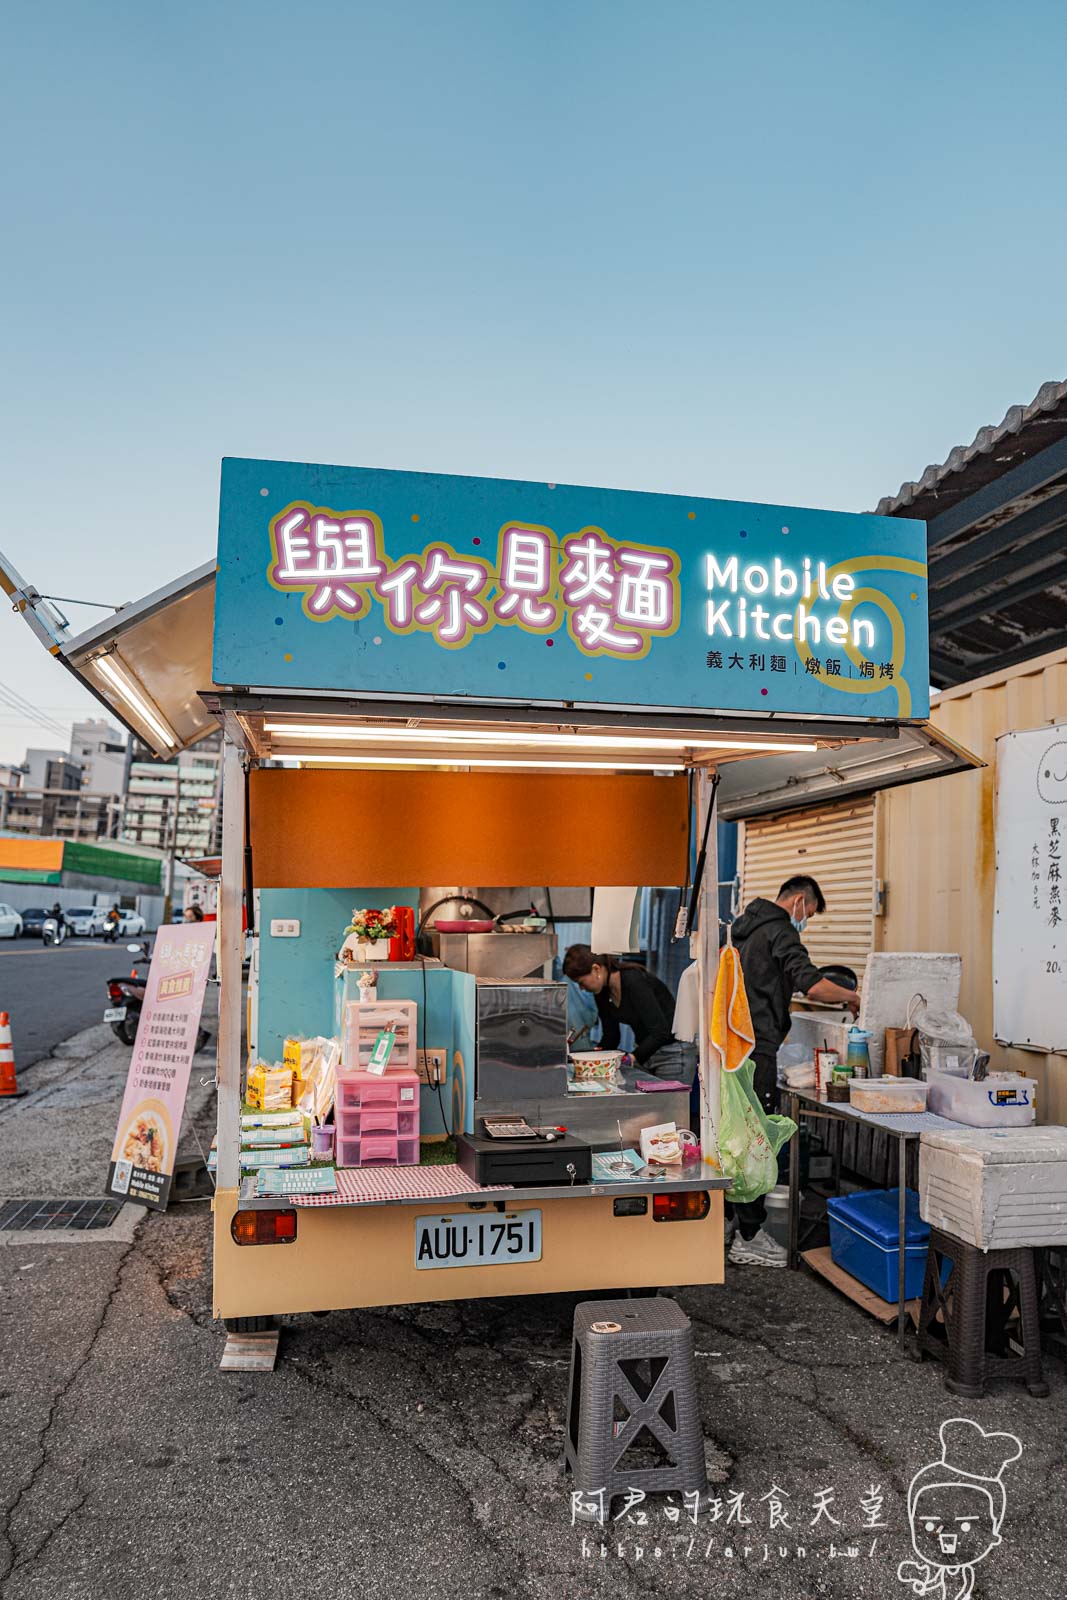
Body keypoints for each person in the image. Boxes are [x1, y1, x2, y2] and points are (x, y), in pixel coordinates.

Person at [725, 873, 861, 1269]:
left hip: (734, 1046)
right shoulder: (780, 930)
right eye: (810, 914)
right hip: (758, 1048)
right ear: (799, 901)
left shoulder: (745, 928)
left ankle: (734, 1222)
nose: (807, 922)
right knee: (756, 1140)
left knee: (736, 1135)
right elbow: (812, 986)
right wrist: (853, 995)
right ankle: (750, 1237)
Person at [562, 945, 695, 1083]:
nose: (581, 989)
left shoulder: (633, 980)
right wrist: (589, 1058)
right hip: (646, 1054)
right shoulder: (602, 992)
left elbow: (661, 1031)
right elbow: (611, 1037)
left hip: (672, 1054)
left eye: (581, 982)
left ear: (596, 969)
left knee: (669, 1104)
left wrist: (632, 1057)